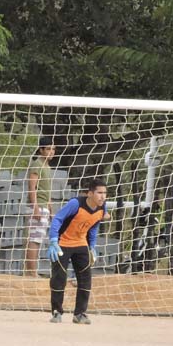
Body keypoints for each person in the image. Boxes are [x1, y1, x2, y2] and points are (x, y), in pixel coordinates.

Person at [47, 178, 107, 324]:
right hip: (63, 243)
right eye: (99, 193)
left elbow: (94, 227)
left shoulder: (102, 209)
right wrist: (53, 240)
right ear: (90, 193)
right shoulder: (76, 204)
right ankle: (57, 312)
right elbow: (58, 219)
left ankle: (80, 314)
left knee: (85, 278)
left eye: (105, 193)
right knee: (59, 278)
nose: (103, 196)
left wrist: (92, 246)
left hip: (81, 244)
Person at [24, 136, 55, 276]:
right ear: (41, 150)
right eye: (48, 149)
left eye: (53, 149)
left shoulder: (47, 166)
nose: (51, 151)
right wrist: (35, 208)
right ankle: (31, 272)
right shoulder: (37, 164)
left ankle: (31, 271)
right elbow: (32, 187)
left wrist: (51, 209)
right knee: (34, 240)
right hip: (37, 206)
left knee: (38, 239)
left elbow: (47, 190)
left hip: (44, 207)